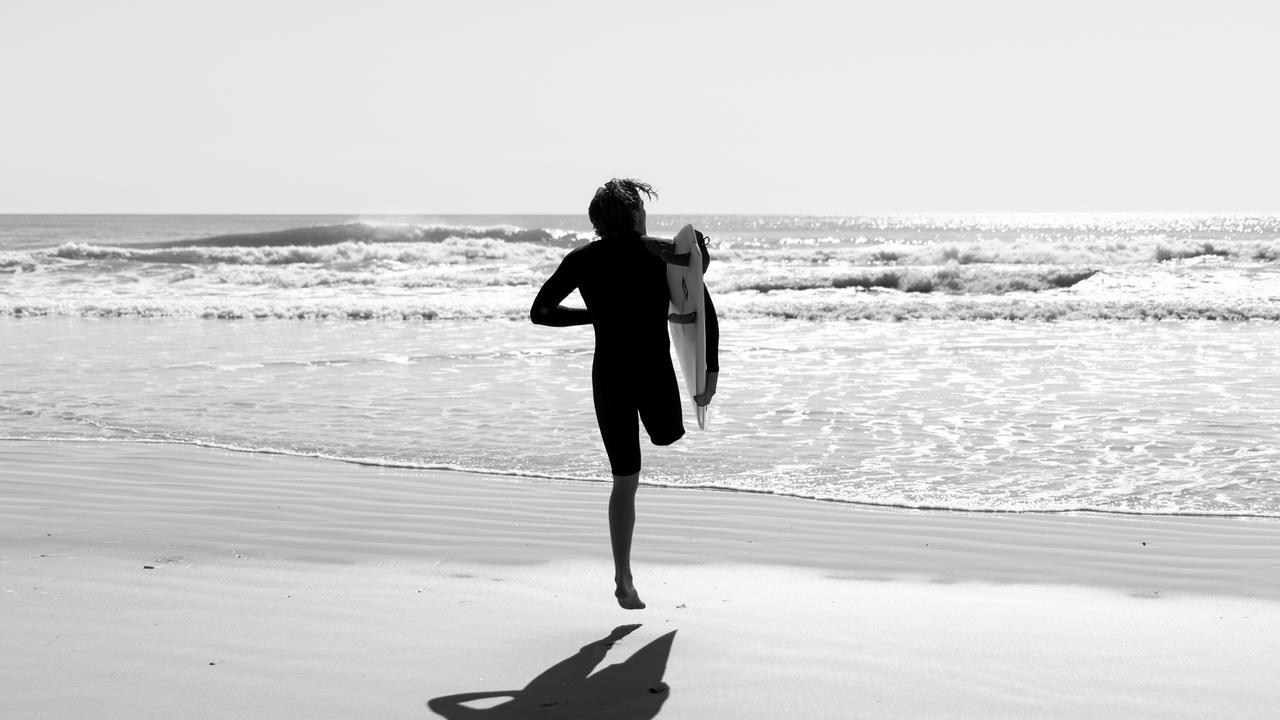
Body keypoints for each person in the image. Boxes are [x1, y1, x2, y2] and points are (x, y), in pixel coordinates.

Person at [530, 178, 719, 610]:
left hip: (609, 375)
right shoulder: (661, 252)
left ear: (597, 220)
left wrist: (598, 317)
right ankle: (626, 575)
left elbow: (540, 313)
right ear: (636, 214)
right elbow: (700, 310)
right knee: (669, 436)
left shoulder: (582, 259)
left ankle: (623, 577)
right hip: (653, 372)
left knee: (624, 479)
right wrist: (709, 373)